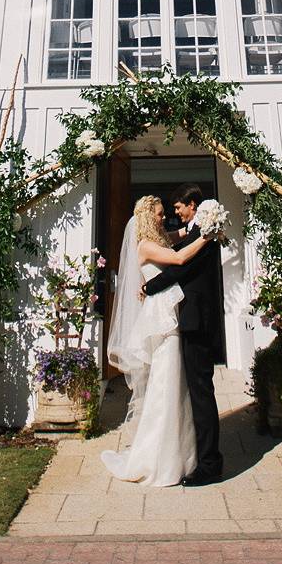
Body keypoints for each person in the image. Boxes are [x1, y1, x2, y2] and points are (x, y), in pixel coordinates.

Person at [100, 195, 213, 486]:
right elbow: (177, 258)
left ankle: (183, 452)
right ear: (149, 217)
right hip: (164, 324)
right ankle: (161, 458)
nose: (165, 218)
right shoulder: (146, 245)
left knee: (177, 386)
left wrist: (205, 221)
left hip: (171, 316)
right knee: (166, 385)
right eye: (160, 215)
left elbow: (182, 235)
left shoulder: (159, 239)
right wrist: (208, 238)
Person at [143, 183, 224, 487]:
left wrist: (148, 287)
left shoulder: (205, 233)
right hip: (187, 321)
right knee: (196, 392)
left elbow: (179, 268)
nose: (175, 212)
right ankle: (197, 456)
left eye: (178, 207)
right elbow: (173, 248)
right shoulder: (196, 232)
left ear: (192, 204)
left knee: (201, 393)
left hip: (196, 322)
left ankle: (210, 465)